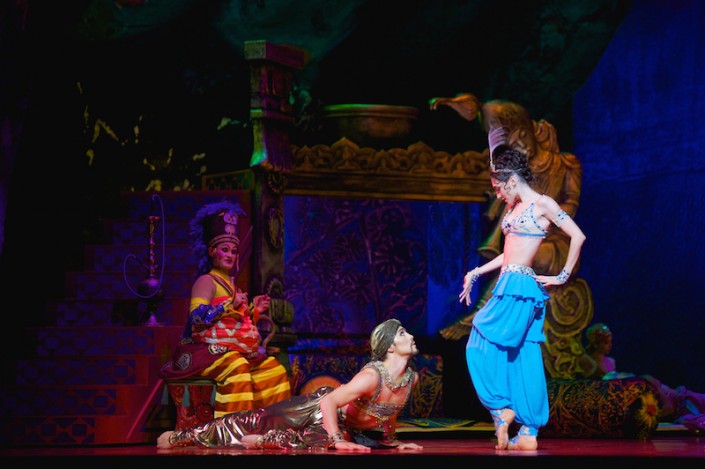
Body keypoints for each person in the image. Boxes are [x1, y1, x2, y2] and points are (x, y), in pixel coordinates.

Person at [458, 134, 586, 451]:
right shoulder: (514, 207)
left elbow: (578, 236)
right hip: (511, 284)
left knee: (478, 337)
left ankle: (501, 409)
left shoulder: (543, 204)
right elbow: (509, 253)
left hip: (520, 287)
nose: (498, 194)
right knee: (523, 355)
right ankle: (528, 431)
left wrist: (563, 275)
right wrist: (477, 271)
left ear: (512, 180)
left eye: (499, 187)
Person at [157, 318, 423, 452]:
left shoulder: (411, 379)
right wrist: (338, 440)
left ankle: (263, 442)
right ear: (389, 347)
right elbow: (329, 402)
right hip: (319, 408)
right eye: (402, 333)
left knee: (314, 444)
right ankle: (180, 437)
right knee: (254, 419)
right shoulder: (372, 377)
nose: (411, 335)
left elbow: (389, 410)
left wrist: (391, 441)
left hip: (341, 428)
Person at [160, 200, 292, 418]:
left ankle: (269, 427)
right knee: (237, 367)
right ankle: (234, 429)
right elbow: (196, 317)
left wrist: (254, 310)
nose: (230, 255)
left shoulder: (232, 286)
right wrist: (229, 304)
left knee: (273, 370)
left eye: (234, 251)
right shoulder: (206, 281)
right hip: (208, 352)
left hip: (236, 351)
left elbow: (234, 323)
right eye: (224, 250)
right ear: (212, 252)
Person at [582, 322, 705, 431]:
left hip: (686, 401)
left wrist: (641, 419)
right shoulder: (625, 390)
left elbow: (669, 408)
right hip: (682, 407)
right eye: (605, 343)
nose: (609, 346)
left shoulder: (644, 380)